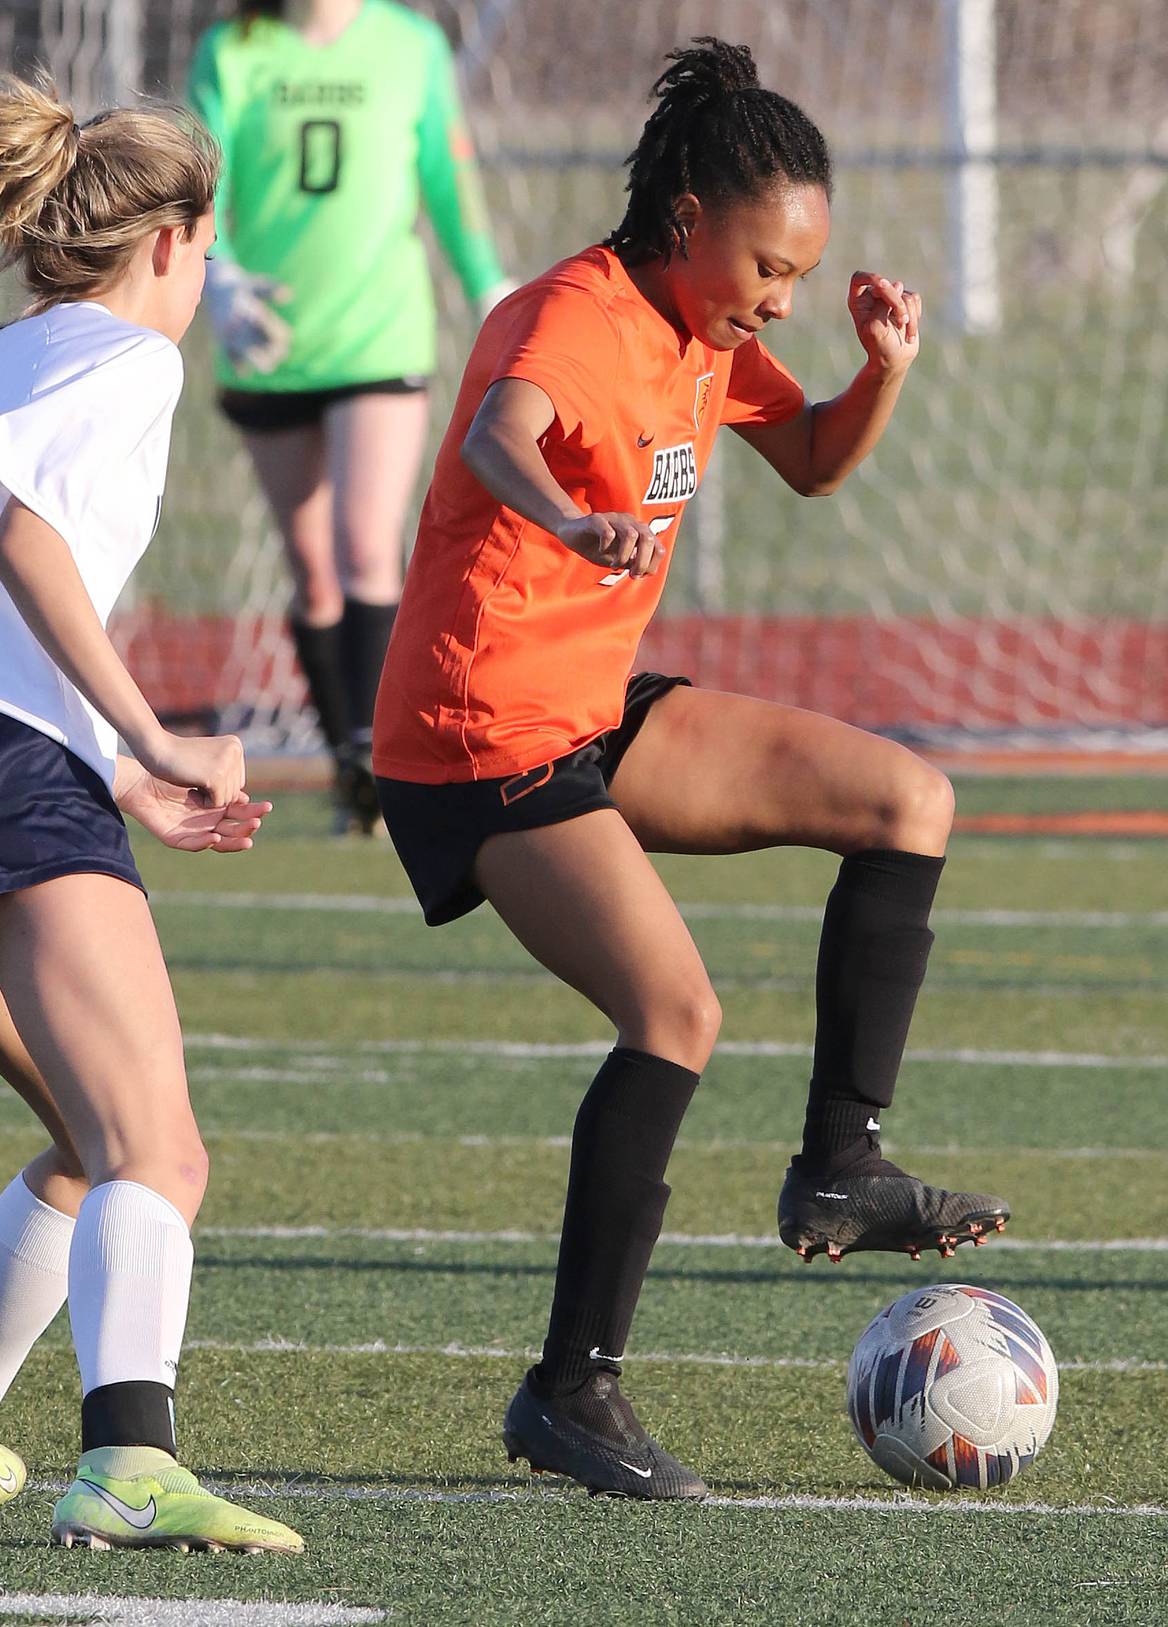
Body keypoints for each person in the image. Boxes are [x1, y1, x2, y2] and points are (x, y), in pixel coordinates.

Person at [371, 38, 1010, 1501]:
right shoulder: (574, 317)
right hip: (480, 731)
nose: (780, 297)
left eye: (799, 276)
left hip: (586, 703)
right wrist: (568, 519)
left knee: (908, 798)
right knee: (675, 1010)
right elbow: (497, 430)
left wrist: (882, 372)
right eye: (769, 269)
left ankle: (842, 1166)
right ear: (687, 223)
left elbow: (816, 462)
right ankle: (569, 1385)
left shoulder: (707, 337)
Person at [0, 69, 302, 1556]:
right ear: (169, 239)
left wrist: (108, 774)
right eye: (212, 242)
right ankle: (130, 1459)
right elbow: (32, 542)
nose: (212, 270)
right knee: (160, 1151)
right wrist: (158, 730)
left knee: (88, 1142)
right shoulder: (126, 362)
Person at [186, 0, 512, 833]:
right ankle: (347, 767)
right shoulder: (233, 53)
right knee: (310, 566)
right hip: (270, 340)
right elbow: (195, 187)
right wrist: (214, 278)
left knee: (366, 544)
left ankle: (380, 766)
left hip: (379, 337)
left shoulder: (408, 46)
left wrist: (489, 289)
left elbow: (447, 174)